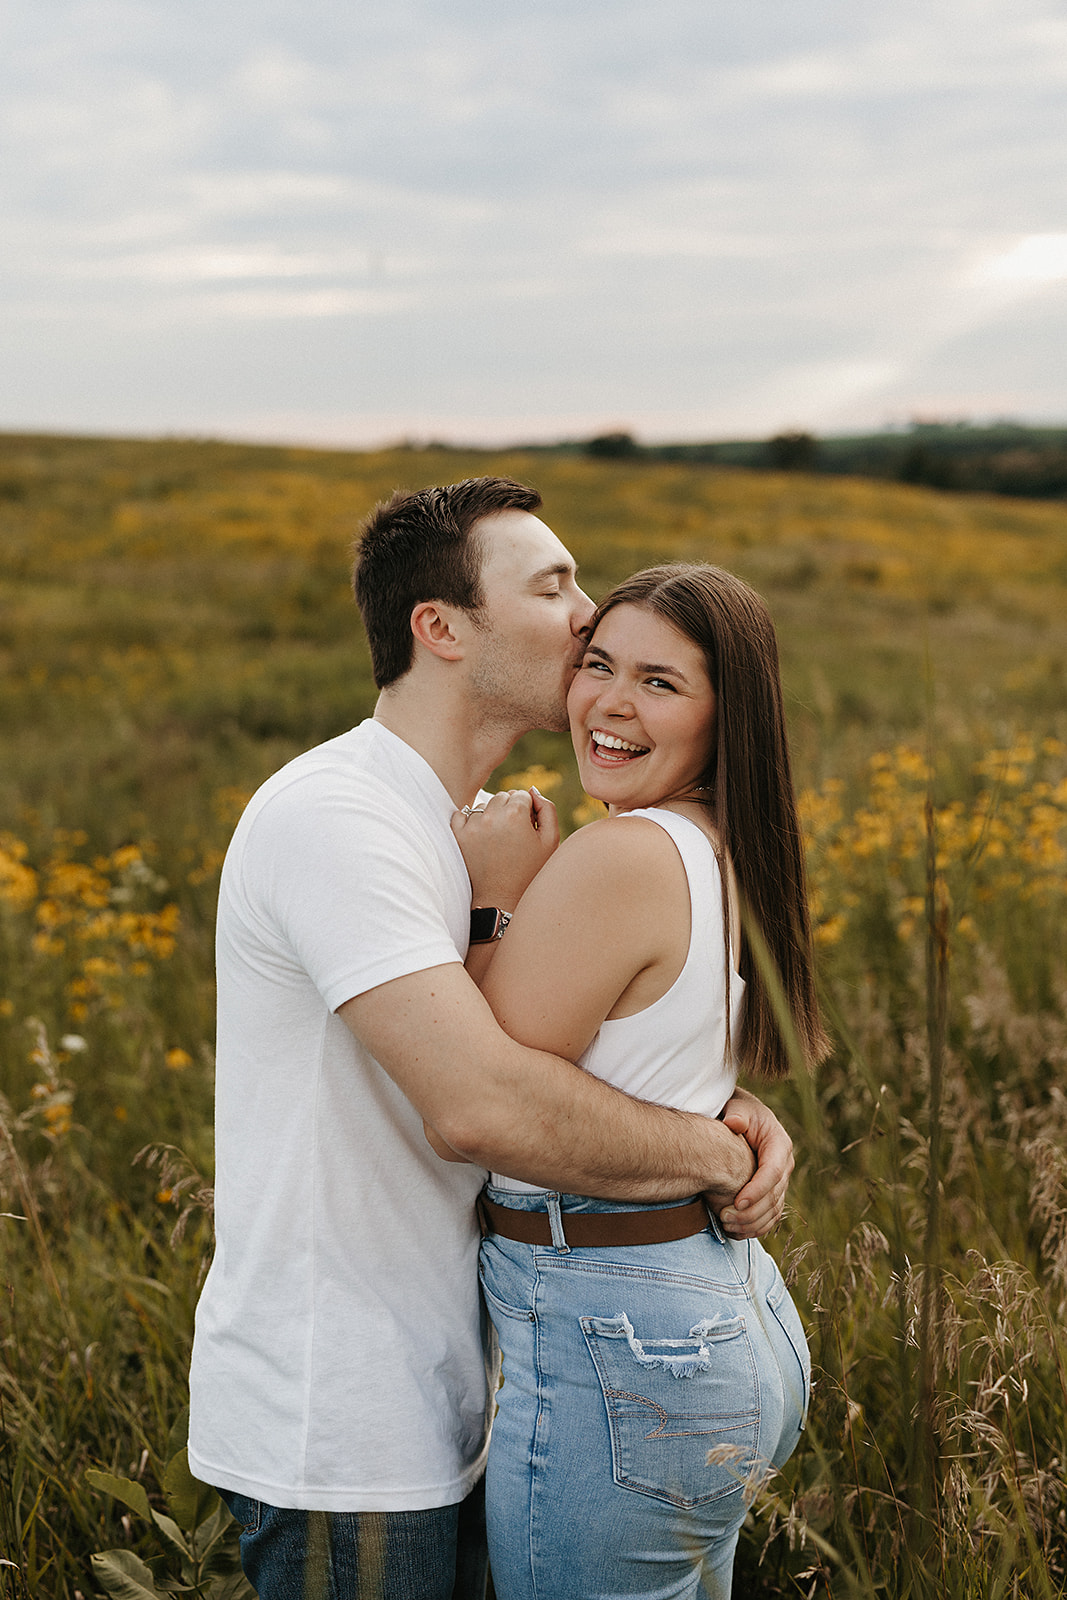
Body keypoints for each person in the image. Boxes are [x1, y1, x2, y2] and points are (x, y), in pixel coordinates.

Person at [187, 479, 796, 1600]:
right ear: (441, 628)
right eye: (551, 585)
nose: (583, 616)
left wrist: (729, 1110)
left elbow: (571, 1054)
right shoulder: (339, 819)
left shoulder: (481, 826)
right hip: (350, 1419)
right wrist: (714, 1150)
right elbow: (485, 1103)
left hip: (484, 1378)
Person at [443, 562, 831, 1600]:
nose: (610, 703)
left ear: (724, 714)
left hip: (618, 1344)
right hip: (719, 1316)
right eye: (598, 665)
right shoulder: (719, 843)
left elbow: (483, 1085)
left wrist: (494, 897)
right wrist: (735, 1120)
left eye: (660, 683)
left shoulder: (619, 855)